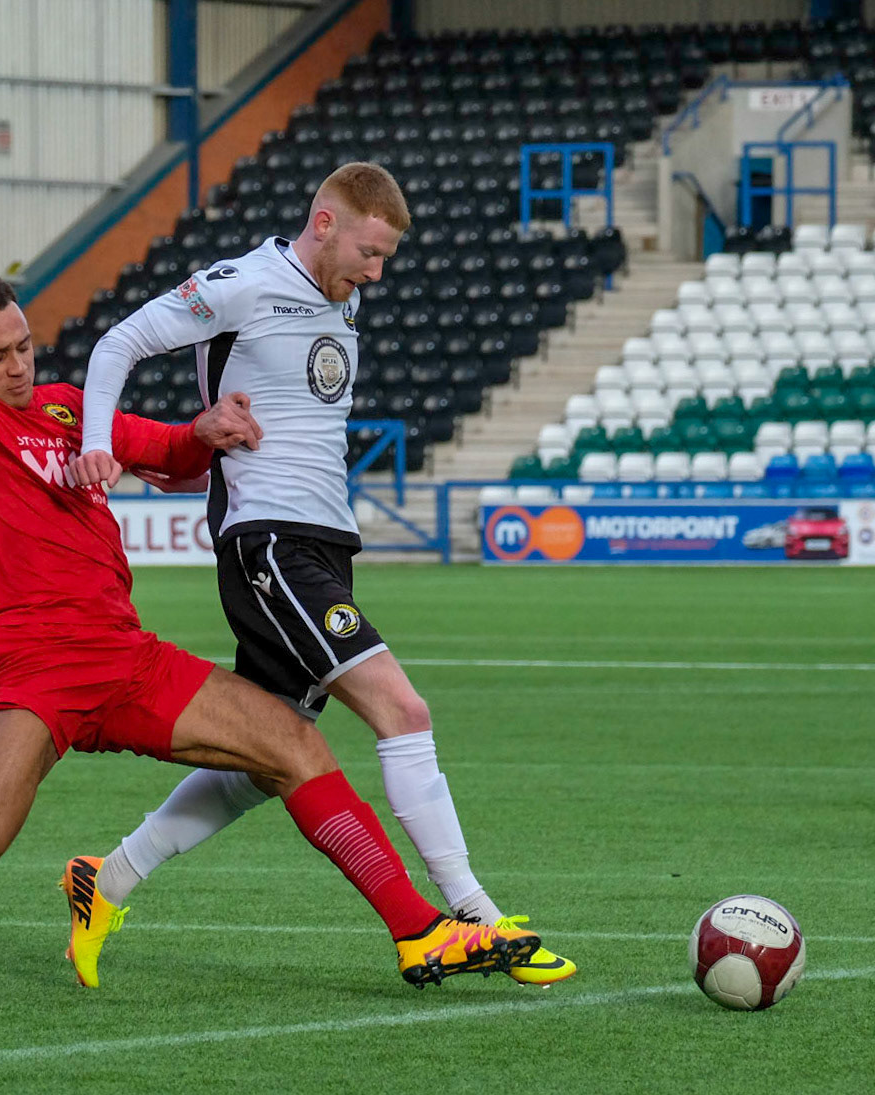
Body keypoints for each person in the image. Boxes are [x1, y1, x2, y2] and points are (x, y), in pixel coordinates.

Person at [0, 164, 538, 1001]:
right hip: (31, 660)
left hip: (124, 653)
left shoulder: (66, 407)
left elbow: (166, 452)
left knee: (293, 741)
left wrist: (205, 430)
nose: (19, 368)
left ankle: (418, 931)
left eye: (25, 345)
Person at [74, 161, 574, 986]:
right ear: (324, 222)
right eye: (368, 253)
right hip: (268, 542)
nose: (374, 274)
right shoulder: (240, 284)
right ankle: (475, 915)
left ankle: (109, 876)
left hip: (322, 544)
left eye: (384, 260)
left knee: (266, 756)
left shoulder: (343, 293)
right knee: (401, 709)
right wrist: (100, 440)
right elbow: (117, 342)